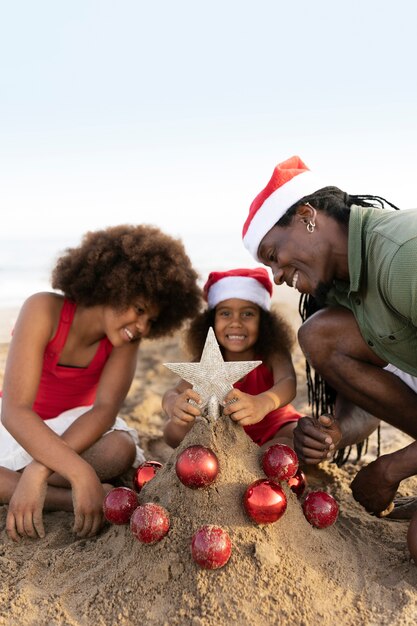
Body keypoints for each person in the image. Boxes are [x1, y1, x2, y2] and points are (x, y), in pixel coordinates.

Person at [242, 155, 417, 562]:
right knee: (319, 334)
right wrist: (335, 432)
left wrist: (393, 468)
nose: (277, 276)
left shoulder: (403, 255)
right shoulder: (340, 283)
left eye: (273, 254)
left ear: (307, 217)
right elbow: (377, 391)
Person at [0, 224, 201, 542]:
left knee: (118, 449)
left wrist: (39, 470)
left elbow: (105, 410)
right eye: (138, 310)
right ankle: (63, 499)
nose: (141, 327)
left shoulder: (125, 341)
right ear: (113, 284)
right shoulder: (42, 309)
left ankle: (30, 480)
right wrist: (78, 474)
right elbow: (14, 411)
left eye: (150, 321)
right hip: (22, 428)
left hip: (78, 428)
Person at [162, 267, 302, 451]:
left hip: (272, 426)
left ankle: (261, 460)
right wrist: (173, 404)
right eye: (225, 313)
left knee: (295, 435)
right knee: (173, 431)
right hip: (223, 434)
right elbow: (174, 391)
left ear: (264, 321)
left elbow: (288, 382)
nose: (236, 322)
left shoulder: (273, 353)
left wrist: (263, 402)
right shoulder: (205, 361)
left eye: (248, 314)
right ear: (211, 321)